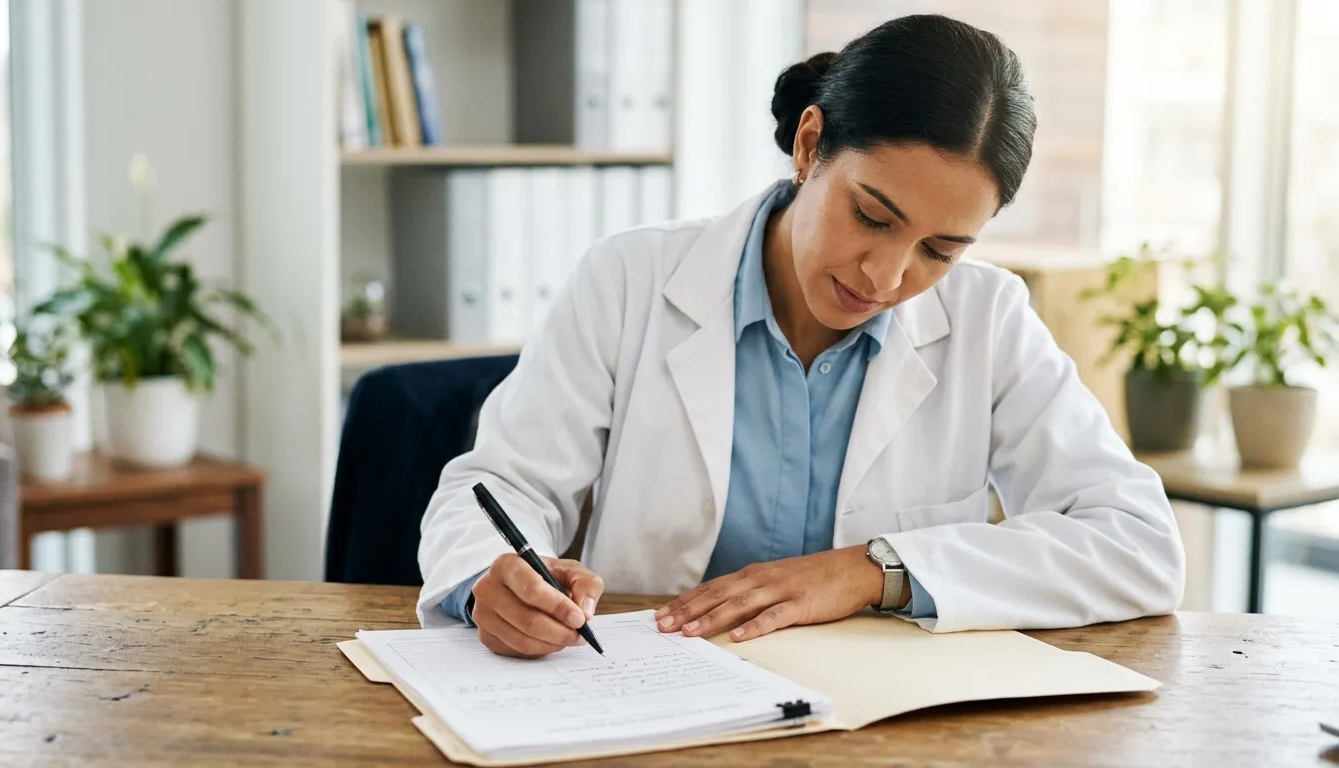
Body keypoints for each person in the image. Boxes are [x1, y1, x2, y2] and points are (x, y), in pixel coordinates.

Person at [417, 14, 1185, 659]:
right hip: (646, 690)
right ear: (811, 145)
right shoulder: (630, 278)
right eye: (873, 217)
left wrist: (871, 572)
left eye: (939, 250)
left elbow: (1137, 544)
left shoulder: (990, 318)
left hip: (871, 720)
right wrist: (492, 578)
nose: (886, 277)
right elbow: (499, 488)